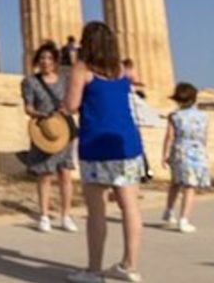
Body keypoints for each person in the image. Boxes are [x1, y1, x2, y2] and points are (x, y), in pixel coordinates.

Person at [64, 21, 145, 283]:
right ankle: (129, 266)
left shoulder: (82, 69)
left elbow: (72, 105)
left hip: (97, 145)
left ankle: (94, 271)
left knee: (97, 211)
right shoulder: (122, 70)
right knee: (130, 207)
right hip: (127, 144)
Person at [21, 40, 77, 232]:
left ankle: (66, 215)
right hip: (43, 131)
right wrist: (37, 114)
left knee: (65, 174)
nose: (45, 61)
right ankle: (44, 215)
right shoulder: (30, 82)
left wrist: (67, 108)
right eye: (42, 58)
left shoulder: (65, 79)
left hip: (62, 131)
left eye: (49, 58)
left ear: (55, 61)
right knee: (44, 175)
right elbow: (28, 106)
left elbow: (73, 102)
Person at [161, 82, 210, 233]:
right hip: (197, 151)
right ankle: (184, 219)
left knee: (176, 182)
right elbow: (204, 136)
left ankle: (169, 211)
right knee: (190, 186)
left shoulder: (174, 116)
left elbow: (169, 137)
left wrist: (165, 154)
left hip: (179, 150)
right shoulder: (203, 116)